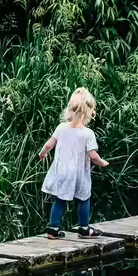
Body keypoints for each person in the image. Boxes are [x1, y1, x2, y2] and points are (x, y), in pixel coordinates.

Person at [39, 87, 109, 239]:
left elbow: (49, 145)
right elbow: (93, 155)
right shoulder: (87, 134)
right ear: (88, 112)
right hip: (78, 174)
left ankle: (53, 228)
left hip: (61, 171)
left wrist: (43, 153)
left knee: (60, 200)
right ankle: (84, 228)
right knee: (84, 198)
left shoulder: (61, 128)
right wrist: (102, 162)